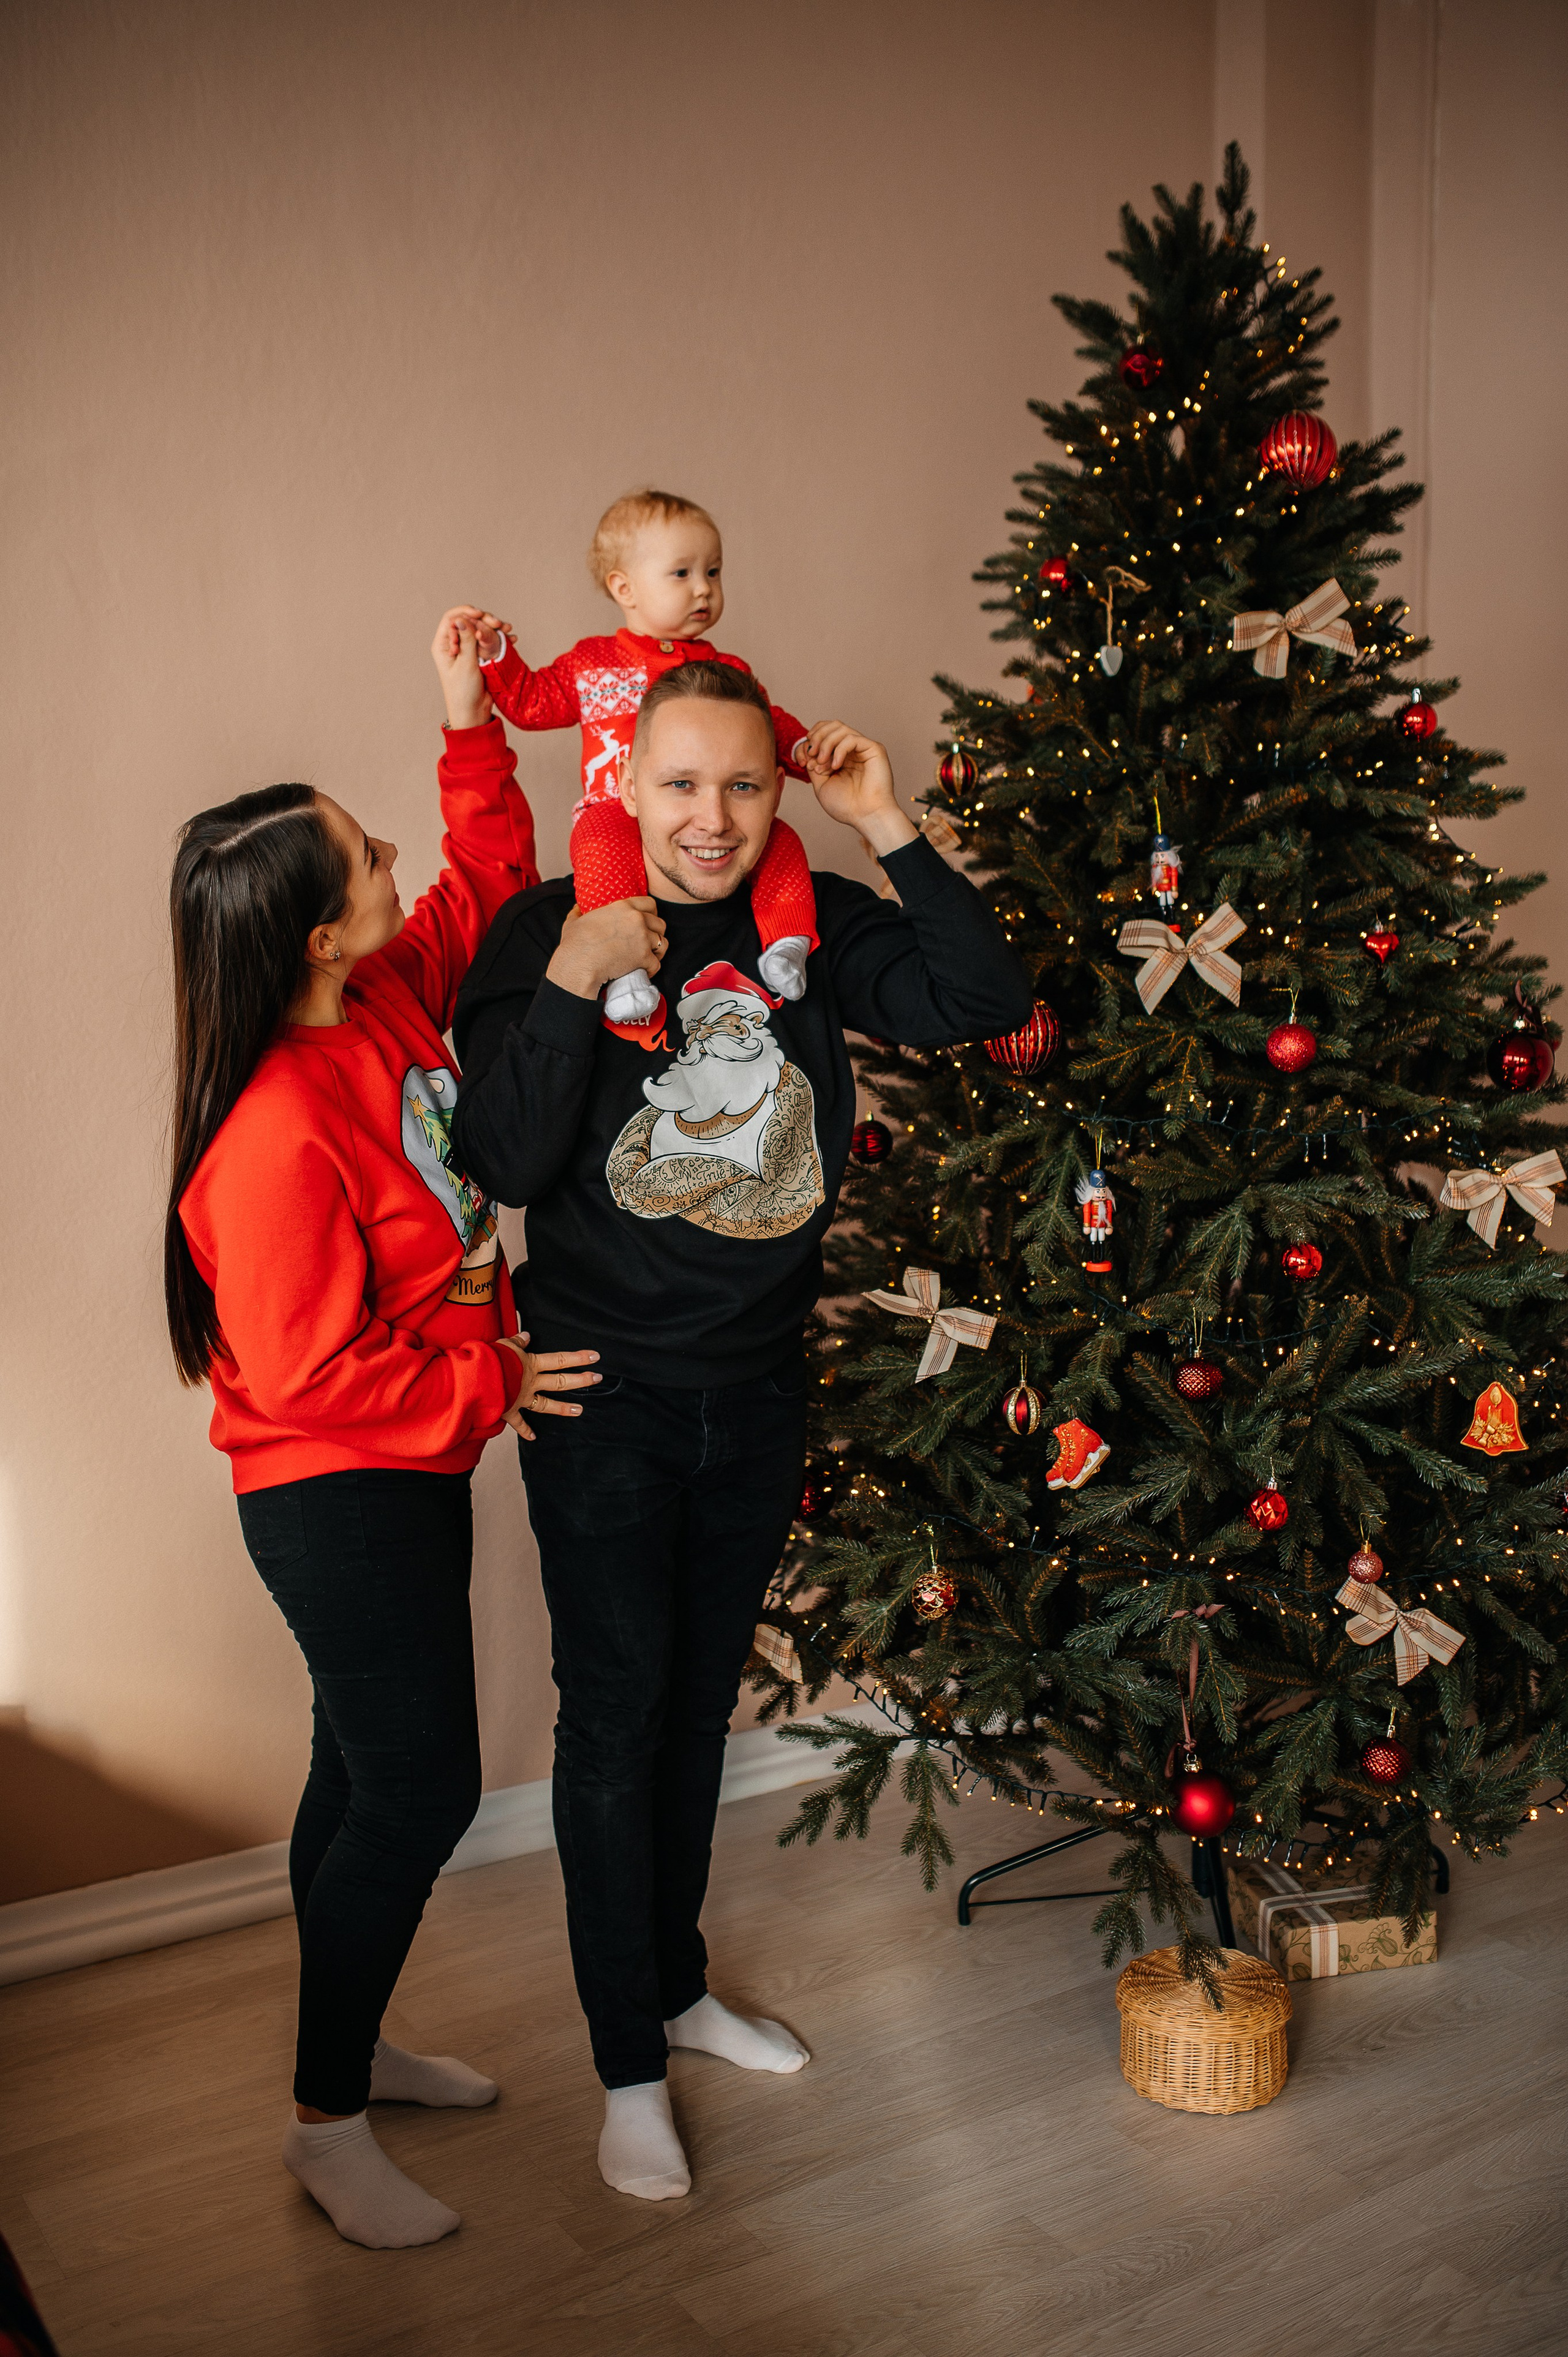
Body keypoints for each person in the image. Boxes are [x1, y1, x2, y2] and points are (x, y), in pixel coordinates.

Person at [449, 660, 1033, 2201]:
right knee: (614, 1719)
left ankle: (674, 1989)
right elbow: (501, 1159)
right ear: (623, 784)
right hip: (605, 1403)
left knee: (693, 1709)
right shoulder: (544, 932)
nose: (709, 818)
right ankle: (624, 2068)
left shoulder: (811, 927)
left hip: (759, 1388)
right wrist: (574, 976)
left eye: (742, 785)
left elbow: (987, 1003)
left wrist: (885, 822)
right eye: (679, 784)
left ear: (777, 790)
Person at [165, 615, 600, 2249]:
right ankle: (323, 2118)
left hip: (404, 1474)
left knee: (353, 1768)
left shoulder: (383, 996)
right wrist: (496, 1384)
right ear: (313, 932)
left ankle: (350, 2046)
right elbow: (303, 1378)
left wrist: (467, 721)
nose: (393, 860)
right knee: (418, 1790)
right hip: (335, 1490)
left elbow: (487, 880)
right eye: (366, 857)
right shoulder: (275, 1129)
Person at [456, 486, 823, 1031]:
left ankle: (788, 942)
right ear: (624, 588)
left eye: (714, 572)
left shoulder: (727, 672)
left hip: (693, 821)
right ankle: (627, 973)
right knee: (598, 849)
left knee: (781, 839)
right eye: (682, 574)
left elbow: (767, 724)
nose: (704, 588)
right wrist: (497, 656)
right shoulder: (592, 663)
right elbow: (532, 703)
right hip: (613, 807)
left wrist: (803, 750)